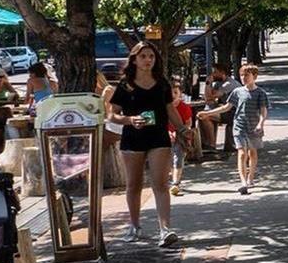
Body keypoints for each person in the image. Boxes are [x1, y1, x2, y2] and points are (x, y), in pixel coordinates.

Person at [107, 43, 193, 247]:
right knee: (133, 184)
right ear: (134, 59)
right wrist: (130, 120)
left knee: (161, 184)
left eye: (151, 56)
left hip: (158, 137)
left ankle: (165, 229)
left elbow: (170, 109)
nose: (148, 60)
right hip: (133, 138)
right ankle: (134, 225)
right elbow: (112, 114)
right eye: (143, 56)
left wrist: (182, 129)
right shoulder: (126, 84)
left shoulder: (162, 83)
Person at [202, 63, 268, 194]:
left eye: (247, 75)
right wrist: (208, 113)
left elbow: (263, 111)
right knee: (242, 153)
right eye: (242, 75)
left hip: (254, 127)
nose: (243, 78)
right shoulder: (237, 92)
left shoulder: (260, 93)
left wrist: (260, 123)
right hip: (239, 126)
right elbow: (226, 107)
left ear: (254, 76)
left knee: (252, 153)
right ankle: (243, 182)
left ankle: (251, 177)